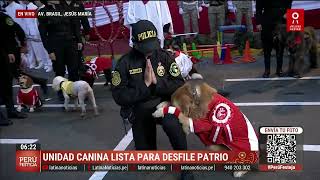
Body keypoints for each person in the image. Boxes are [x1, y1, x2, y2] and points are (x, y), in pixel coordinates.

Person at [112, 20, 193, 180]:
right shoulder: (124, 63)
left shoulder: (164, 56)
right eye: (145, 47)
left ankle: (186, 166)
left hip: (165, 103)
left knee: (172, 123)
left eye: (152, 45)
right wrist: (145, 85)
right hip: (140, 107)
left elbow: (179, 84)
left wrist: (157, 85)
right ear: (134, 43)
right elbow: (119, 96)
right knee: (146, 159)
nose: (149, 51)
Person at [38, 0, 82, 81]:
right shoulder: (43, 12)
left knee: (74, 68)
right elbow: (43, 34)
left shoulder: (66, 8)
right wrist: (49, 51)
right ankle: (61, 90)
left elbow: (75, 24)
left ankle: (73, 89)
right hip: (56, 44)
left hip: (71, 41)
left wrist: (79, 40)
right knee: (59, 69)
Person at [0, 11, 27, 122]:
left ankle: (10, 110)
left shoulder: (3, 17)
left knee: (7, 82)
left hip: (4, 53)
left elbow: (14, 30)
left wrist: (11, 51)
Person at [256, 0, 293, 78]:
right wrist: (258, 22)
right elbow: (258, 8)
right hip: (267, 21)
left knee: (280, 47)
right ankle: (267, 70)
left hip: (281, 21)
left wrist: (288, 12)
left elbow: (289, 2)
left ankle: (279, 69)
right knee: (266, 48)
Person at [22, 0, 52, 72]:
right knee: (38, 49)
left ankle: (49, 64)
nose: (36, 2)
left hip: (39, 31)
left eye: (37, 1)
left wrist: (38, 32)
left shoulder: (35, 8)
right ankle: (43, 62)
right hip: (33, 30)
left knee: (45, 49)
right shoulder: (36, 9)